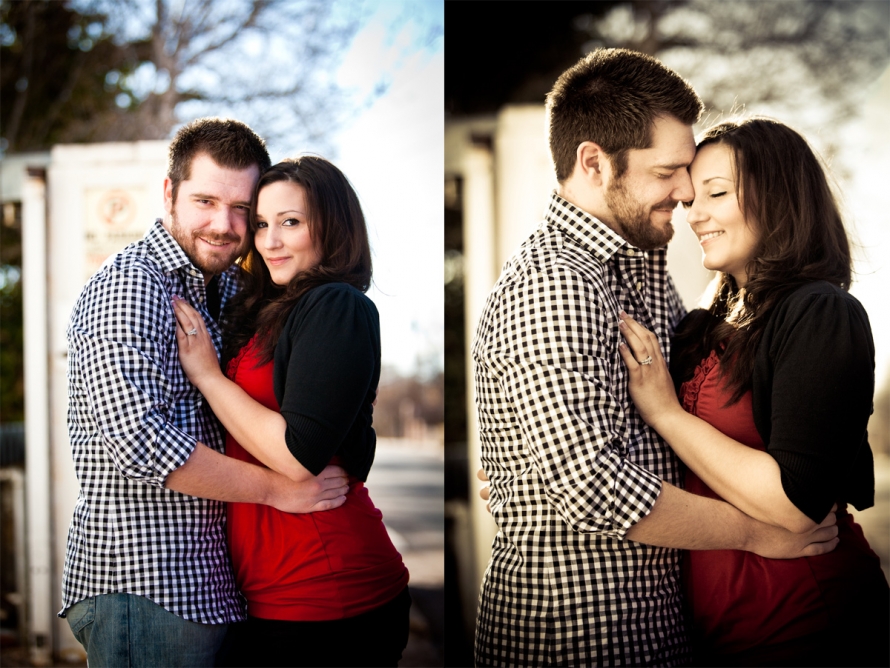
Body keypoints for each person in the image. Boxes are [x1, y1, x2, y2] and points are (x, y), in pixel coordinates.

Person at [472, 48, 839, 667]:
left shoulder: (640, 265)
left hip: (663, 626)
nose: (687, 190)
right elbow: (591, 487)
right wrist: (757, 532)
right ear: (594, 162)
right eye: (669, 170)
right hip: (580, 634)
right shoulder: (554, 282)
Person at [60, 118, 350, 668]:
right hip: (145, 587)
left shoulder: (232, 288)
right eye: (205, 201)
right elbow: (138, 441)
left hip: (215, 588)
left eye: (242, 208)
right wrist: (275, 490)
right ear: (169, 193)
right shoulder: (132, 285)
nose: (224, 224)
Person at [617, 117, 890, 667]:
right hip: (712, 635)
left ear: (780, 196)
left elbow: (795, 503)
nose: (695, 214)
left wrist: (668, 414)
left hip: (809, 623)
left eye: (716, 193)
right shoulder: (701, 324)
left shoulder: (822, 312)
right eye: (694, 198)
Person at [171, 156, 410, 667]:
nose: (270, 241)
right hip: (266, 589)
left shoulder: (337, 305)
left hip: (326, 590)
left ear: (332, 224)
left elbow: (298, 456)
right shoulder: (270, 309)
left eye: (291, 222)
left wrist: (209, 377)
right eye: (261, 224)